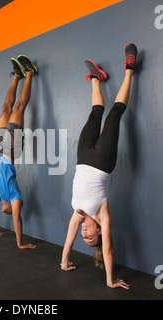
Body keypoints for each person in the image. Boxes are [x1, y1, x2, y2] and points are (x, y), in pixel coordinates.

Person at [61, 44, 138, 290]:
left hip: (82, 158)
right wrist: (110, 280)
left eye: (85, 237)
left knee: (95, 114)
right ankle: (129, 69)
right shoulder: (103, 215)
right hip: (103, 162)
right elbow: (107, 250)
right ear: (100, 231)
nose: (85, 234)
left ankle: (96, 78)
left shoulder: (77, 213)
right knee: (114, 114)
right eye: (90, 236)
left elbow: (68, 241)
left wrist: (64, 263)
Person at [0, 55, 38, 250]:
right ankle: (30, 72)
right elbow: (17, 220)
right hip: (10, 150)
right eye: (5, 212)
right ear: (10, 209)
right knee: (19, 107)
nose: (2, 210)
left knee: (5, 108)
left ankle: (16, 76)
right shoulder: (15, 198)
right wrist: (19, 243)